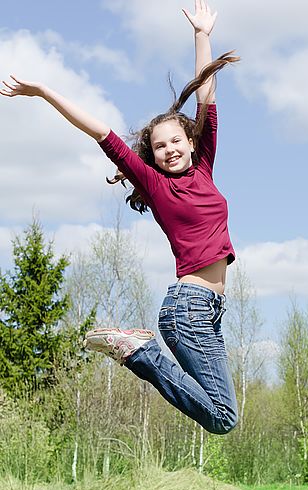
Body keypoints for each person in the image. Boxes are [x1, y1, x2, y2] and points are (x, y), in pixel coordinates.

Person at [1, 0, 239, 435]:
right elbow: (100, 130)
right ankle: (138, 352)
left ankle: (140, 352)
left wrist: (201, 34)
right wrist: (44, 92)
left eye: (174, 140)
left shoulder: (204, 166)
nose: (167, 149)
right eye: (159, 145)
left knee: (221, 413)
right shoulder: (154, 184)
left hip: (209, 311)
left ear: (190, 140)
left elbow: (207, 95)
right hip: (187, 307)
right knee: (223, 418)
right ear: (153, 154)